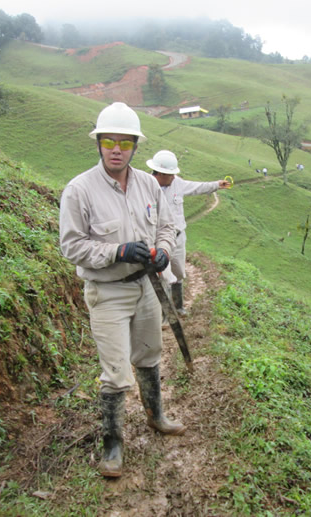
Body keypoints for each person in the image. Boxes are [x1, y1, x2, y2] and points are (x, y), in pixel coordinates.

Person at [59, 102, 185, 479]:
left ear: (135, 147)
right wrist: (115, 251)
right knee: (115, 372)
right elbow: (71, 246)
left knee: (149, 354)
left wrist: (162, 251)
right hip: (107, 291)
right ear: (98, 143)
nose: (117, 148)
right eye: (109, 140)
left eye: (125, 142)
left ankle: (156, 415)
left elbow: (165, 226)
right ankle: (112, 443)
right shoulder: (79, 190)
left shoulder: (149, 184)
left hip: (147, 286)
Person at [146, 150, 231, 315]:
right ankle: (165, 315)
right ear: (160, 173)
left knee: (178, 272)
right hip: (158, 241)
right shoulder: (146, 187)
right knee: (163, 276)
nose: (173, 177)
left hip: (178, 238)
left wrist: (217, 185)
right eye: (170, 174)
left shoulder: (177, 183)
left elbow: (197, 187)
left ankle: (178, 306)